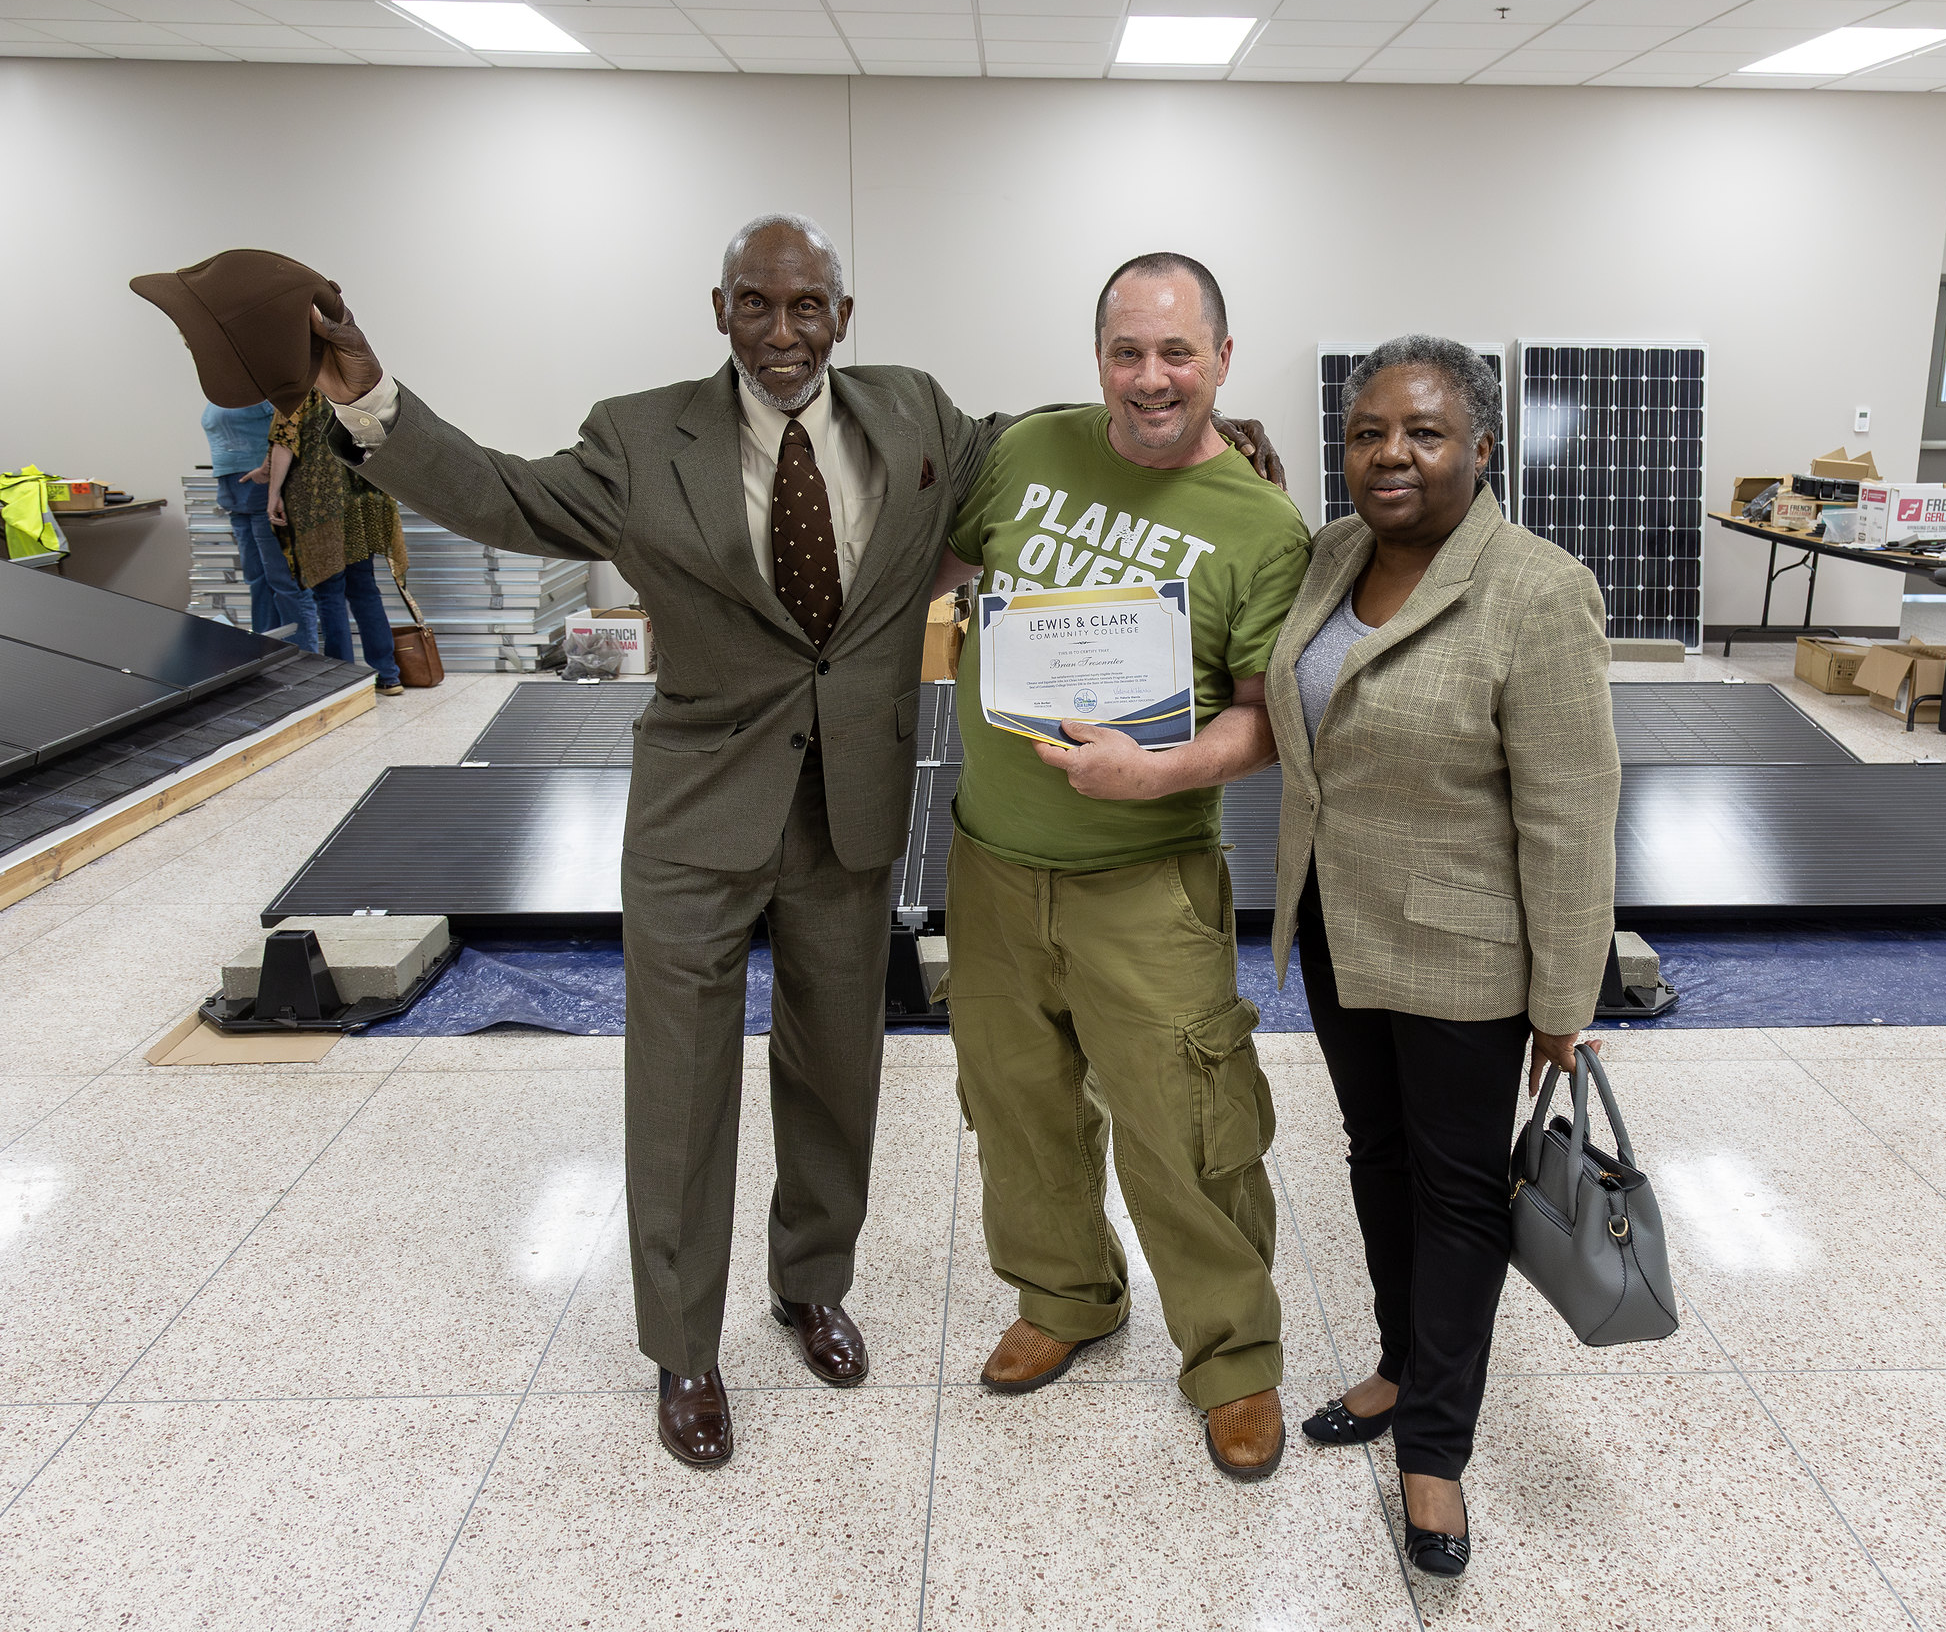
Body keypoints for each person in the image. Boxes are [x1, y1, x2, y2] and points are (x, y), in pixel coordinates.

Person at [301, 215, 1285, 1472]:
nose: (782, 331)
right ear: (719, 311)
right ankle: (688, 1350)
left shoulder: (915, 415)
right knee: (689, 1086)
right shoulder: (640, 435)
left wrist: (1215, 433)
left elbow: (1091, 452)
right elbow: (503, 493)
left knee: (843, 1073)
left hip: (862, 814)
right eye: (756, 306)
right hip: (708, 815)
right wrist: (371, 402)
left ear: (843, 312)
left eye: (806, 306)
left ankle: (815, 1286)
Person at [931, 253, 1310, 1483]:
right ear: (1096, 355)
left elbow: (1265, 717)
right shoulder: (1026, 452)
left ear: (1221, 359)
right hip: (989, 866)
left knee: (1187, 1126)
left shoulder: (1260, 526)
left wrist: (1151, 775)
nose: (1151, 379)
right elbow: (930, 579)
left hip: (1146, 878)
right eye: (1126, 352)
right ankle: (1064, 1297)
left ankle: (1232, 1357)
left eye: (1176, 353)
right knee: (1015, 1107)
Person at [1263, 336, 1620, 1576]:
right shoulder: (1330, 553)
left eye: (1421, 432)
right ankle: (1397, 1358)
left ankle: (1434, 1446)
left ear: (1481, 446)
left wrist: (1564, 999)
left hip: (1469, 948)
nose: (1389, 454)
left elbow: (1570, 812)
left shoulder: (1536, 588)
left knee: (1459, 1192)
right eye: (1367, 432)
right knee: (1376, 1156)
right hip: (1336, 929)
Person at [266, 392, 405, 693]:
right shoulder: (353, 387)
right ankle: (388, 674)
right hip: (361, 500)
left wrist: (273, 492)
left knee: (330, 593)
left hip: (320, 504)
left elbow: (284, 442)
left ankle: (343, 683)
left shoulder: (295, 392)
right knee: (364, 588)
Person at [200, 400, 317, 652]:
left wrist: (270, 470)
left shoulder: (260, 389)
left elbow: (286, 432)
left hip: (262, 489)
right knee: (257, 580)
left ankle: (304, 662)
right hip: (234, 492)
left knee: (285, 581)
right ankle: (266, 657)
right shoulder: (222, 391)